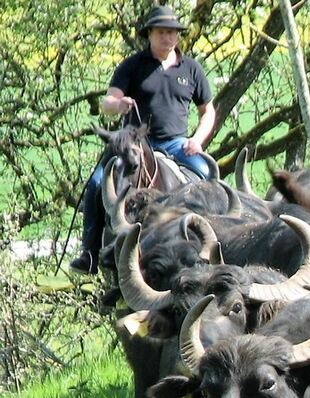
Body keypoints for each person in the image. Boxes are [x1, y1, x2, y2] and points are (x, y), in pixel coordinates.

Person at [70, 4, 216, 274]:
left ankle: (215, 244)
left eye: (172, 33)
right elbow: (107, 102)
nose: (168, 38)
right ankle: (89, 254)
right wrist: (119, 104)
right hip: (134, 143)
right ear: (149, 34)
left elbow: (208, 112)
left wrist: (197, 139)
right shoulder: (132, 66)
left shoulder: (192, 69)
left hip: (177, 143)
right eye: (161, 32)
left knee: (208, 174)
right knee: (97, 183)